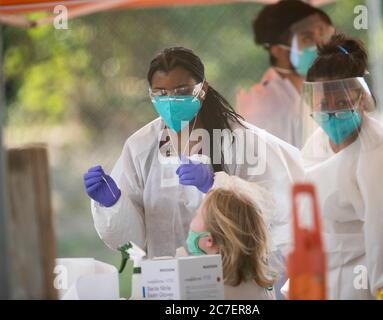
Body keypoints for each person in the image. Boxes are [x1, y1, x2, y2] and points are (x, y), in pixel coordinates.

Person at [83, 47, 304, 261]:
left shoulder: (239, 140)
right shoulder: (140, 147)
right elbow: (132, 245)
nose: (171, 101)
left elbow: (272, 212)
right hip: (164, 281)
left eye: (181, 92)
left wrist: (217, 187)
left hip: (230, 279)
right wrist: (114, 206)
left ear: (203, 89)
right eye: (161, 93)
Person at [299, 33, 383, 299]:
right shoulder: (316, 144)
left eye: (342, 103)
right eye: (324, 104)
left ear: (361, 100)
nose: (331, 112)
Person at [236, 0, 334, 148]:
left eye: (323, 35)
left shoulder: (316, 93)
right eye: (307, 38)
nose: (320, 45)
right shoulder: (264, 106)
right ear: (277, 49)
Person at [186, 172, 278, 300]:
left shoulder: (209, 290)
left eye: (197, 214)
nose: (194, 216)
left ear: (209, 240)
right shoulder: (260, 283)